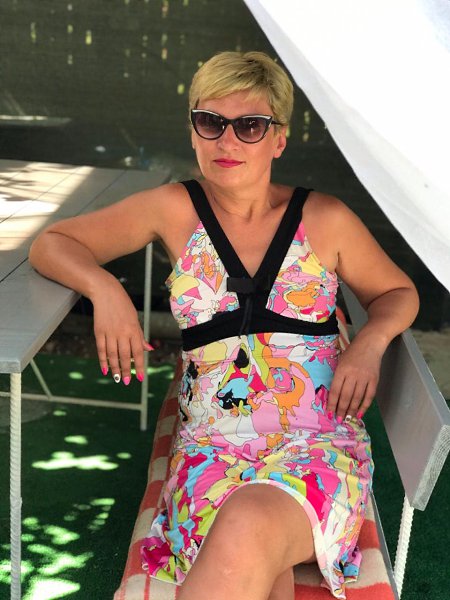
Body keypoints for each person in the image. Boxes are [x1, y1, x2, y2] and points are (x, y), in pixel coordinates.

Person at [29, 51, 419, 600]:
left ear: (279, 139)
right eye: (210, 122)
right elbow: (53, 243)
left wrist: (370, 341)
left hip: (316, 446)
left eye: (250, 126)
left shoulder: (324, 219)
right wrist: (106, 289)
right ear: (193, 131)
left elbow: (398, 292)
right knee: (251, 545)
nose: (226, 141)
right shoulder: (173, 209)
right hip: (210, 450)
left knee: (246, 526)